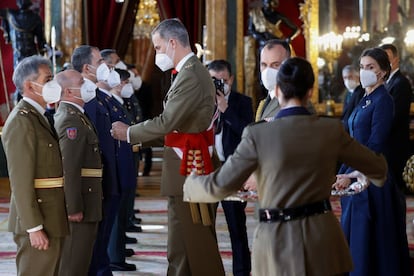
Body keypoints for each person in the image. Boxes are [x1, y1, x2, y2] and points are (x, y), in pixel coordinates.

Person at [182, 57, 388, 276]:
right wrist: (363, 176)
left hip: (275, 243)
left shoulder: (257, 133)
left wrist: (190, 184)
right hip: (323, 240)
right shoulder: (330, 130)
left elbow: (220, 185)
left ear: (278, 90)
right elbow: (378, 167)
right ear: (310, 91)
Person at [111, 18, 225, 276]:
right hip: (184, 168)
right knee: (180, 247)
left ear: (173, 43)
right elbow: (175, 129)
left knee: (197, 245)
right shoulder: (188, 72)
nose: (157, 54)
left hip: (190, 167)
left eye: (159, 47)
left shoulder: (191, 75)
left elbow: (168, 122)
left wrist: (128, 133)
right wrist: (135, 140)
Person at [337, 47, 411, 276]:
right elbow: (352, 139)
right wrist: (343, 170)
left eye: (370, 67)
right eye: (361, 67)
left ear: (383, 72)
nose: (364, 72)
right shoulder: (364, 98)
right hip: (354, 173)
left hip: (371, 178)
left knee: (369, 245)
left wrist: (350, 174)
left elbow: (375, 143)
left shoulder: (384, 99)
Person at [2, 55, 68, 276]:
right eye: (48, 78)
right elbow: (20, 181)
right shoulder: (21, 121)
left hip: (52, 214)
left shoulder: (38, 116)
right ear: (30, 85)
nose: (54, 84)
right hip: (39, 219)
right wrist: (34, 227)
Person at [71, 45, 121, 275]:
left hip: (107, 178)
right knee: (94, 248)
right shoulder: (83, 99)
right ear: (86, 67)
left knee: (100, 245)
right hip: (96, 183)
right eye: (100, 61)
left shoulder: (97, 97)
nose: (104, 66)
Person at [53, 69, 103, 276]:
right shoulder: (70, 120)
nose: (87, 84)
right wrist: (72, 207)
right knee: (73, 263)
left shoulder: (78, 116)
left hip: (88, 198)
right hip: (81, 202)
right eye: (81, 81)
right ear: (68, 91)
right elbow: (69, 167)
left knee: (81, 261)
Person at [208, 60, 253, 276]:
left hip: (233, 171)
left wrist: (225, 110)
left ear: (231, 80)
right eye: (213, 80)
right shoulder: (201, 101)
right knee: (205, 227)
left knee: (236, 226)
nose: (218, 85)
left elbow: (248, 133)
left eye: (222, 81)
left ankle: (242, 272)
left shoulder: (243, 102)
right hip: (207, 170)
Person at [380, 43, 412, 194]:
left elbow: (396, 115)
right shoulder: (386, 83)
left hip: (396, 144)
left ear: (396, 60)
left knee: (397, 191)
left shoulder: (401, 83)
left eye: (387, 58)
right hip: (388, 144)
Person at [0, 0, 46, 68]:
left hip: (27, 56)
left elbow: (41, 41)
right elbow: (41, 42)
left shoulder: (10, 14)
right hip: (23, 56)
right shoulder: (10, 14)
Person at [255, 39, 290, 121]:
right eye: (264, 65)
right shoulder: (265, 101)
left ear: (288, 65)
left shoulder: (295, 101)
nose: (268, 71)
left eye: (275, 65)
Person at [341, 65, 364, 132]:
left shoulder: (361, 92)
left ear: (357, 77)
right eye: (345, 78)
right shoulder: (348, 93)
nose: (347, 80)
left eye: (350, 77)